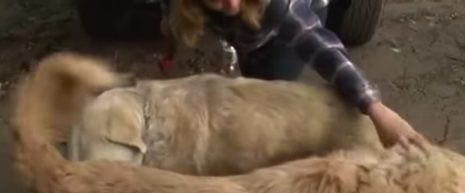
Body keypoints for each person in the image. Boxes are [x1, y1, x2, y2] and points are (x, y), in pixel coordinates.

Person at [159, 0, 429, 150]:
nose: (231, 2)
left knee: (269, 95)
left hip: (288, 19)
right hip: (245, 29)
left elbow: (322, 48)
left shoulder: (278, 6)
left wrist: (378, 111)